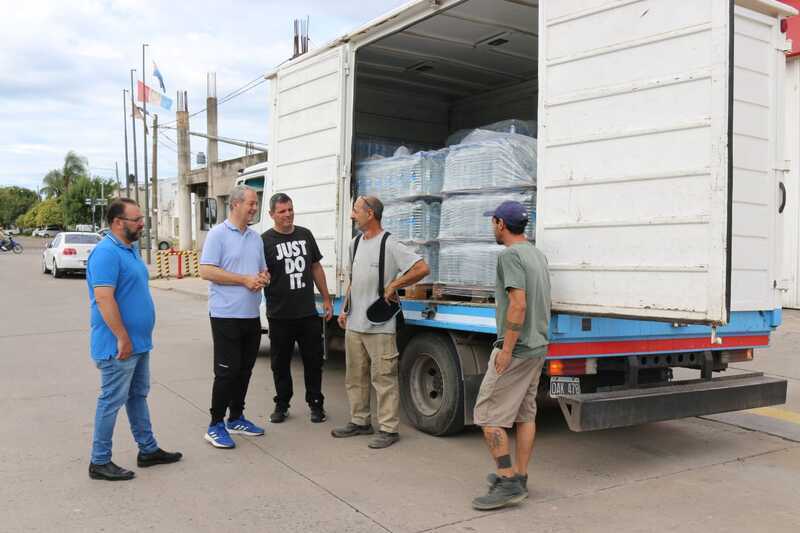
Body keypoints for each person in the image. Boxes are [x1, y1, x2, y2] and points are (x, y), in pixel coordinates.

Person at [86, 198, 182, 481]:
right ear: (118, 222)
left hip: (138, 343)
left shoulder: (129, 250)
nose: (143, 224)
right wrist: (122, 337)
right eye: (137, 219)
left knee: (137, 396)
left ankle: (148, 449)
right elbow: (104, 299)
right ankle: (99, 461)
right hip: (119, 345)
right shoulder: (106, 253)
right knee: (111, 401)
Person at [331, 196, 430, 449]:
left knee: (383, 378)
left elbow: (421, 268)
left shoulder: (390, 243)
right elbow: (354, 279)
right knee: (355, 377)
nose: (352, 216)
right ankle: (360, 422)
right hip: (354, 324)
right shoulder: (355, 244)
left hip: (380, 327)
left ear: (371, 214)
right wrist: (345, 308)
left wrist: (395, 284)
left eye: (356, 211)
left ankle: (388, 429)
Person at [471, 200, 551, 510]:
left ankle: (506, 482)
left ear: (500, 223)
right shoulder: (537, 254)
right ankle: (520, 476)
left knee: (489, 416)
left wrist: (505, 350)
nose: (493, 228)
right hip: (537, 347)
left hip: (516, 350)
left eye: (493, 223)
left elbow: (518, 304)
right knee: (525, 414)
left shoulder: (510, 256)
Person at [199, 185, 270, 449]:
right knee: (226, 372)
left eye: (255, 204)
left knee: (244, 370)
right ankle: (215, 424)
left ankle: (236, 418)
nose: (254, 208)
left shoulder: (255, 238)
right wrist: (243, 280)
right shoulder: (218, 234)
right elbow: (206, 270)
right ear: (235, 204)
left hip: (251, 315)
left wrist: (264, 277)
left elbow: (262, 270)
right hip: (225, 314)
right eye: (251, 203)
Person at [262, 193, 333, 424]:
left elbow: (315, 268)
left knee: (314, 362)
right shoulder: (264, 241)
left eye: (290, 209)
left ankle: (316, 404)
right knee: (280, 365)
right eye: (282, 211)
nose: (288, 215)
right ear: (272, 214)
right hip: (279, 315)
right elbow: (259, 273)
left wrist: (326, 299)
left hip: (307, 314)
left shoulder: (305, 235)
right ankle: (282, 404)